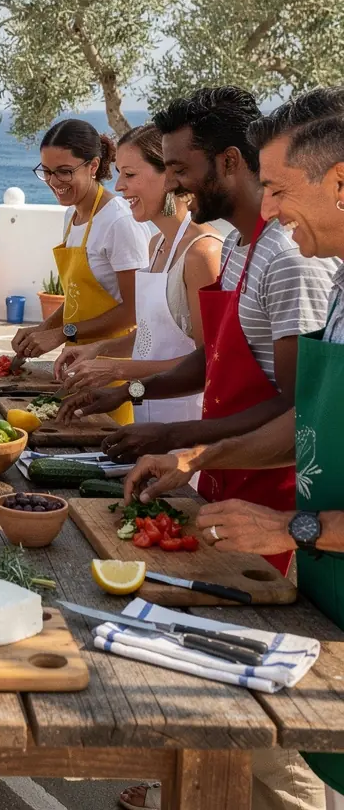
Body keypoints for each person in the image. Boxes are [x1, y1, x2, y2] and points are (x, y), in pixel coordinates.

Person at [117, 89, 344, 810]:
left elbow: (286, 403)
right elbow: (309, 417)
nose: (269, 211)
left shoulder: (300, 263)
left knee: (282, 760)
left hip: (295, 531)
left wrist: (292, 527)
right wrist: (197, 457)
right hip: (313, 566)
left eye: (279, 190)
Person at [59, 87, 336, 570]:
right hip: (232, 480)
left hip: (271, 498)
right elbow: (215, 360)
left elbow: (298, 409)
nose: (172, 184)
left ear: (228, 163)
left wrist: (181, 438)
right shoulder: (235, 249)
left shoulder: (292, 261)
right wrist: (138, 397)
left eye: (180, 170)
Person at [54, 125, 223, 423]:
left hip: (186, 427)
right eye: (119, 173)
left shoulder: (202, 253)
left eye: (130, 175)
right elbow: (150, 337)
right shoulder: (157, 243)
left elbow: (210, 362)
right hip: (148, 420)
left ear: (170, 176)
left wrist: (117, 370)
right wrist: (99, 350)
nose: (118, 186)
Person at [11, 118, 152, 424]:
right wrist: (43, 329)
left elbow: (133, 312)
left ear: (93, 166)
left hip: (114, 369)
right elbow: (78, 298)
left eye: (64, 171)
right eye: (46, 171)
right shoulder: (73, 216)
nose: (53, 180)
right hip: (80, 366)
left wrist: (63, 333)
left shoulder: (119, 222)